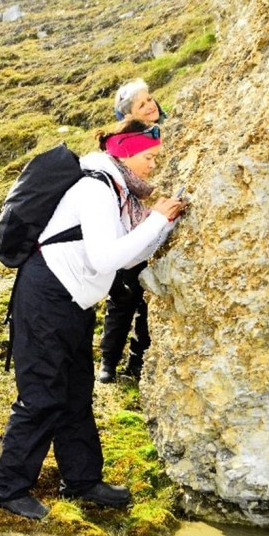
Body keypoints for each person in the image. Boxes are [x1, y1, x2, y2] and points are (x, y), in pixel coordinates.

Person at [0, 120, 186, 519]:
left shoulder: (118, 189)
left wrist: (162, 225)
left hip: (73, 298)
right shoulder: (96, 189)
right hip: (47, 295)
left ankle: (81, 480)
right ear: (126, 152)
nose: (153, 166)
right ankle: (7, 489)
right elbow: (106, 258)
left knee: (76, 391)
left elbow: (125, 256)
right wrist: (157, 220)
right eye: (149, 157)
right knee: (42, 392)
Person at [99, 78, 168, 383]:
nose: (151, 105)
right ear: (128, 114)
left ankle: (137, 363)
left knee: (146, 304)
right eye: (142, 104)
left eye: (150, 98)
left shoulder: (169, 130)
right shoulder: (127, 143)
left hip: (153, 233)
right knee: (123, 300)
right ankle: (108, 363)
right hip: (132, 232)